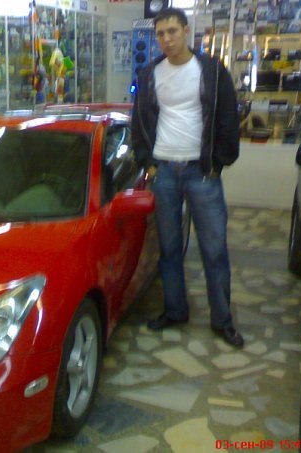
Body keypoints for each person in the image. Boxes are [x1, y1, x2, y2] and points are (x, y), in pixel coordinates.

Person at [131, 7, 244, 348]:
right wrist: (149, 164)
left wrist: (218, 163)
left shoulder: (210, 70)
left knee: (214, 250)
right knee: (169, 249)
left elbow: (228, 117)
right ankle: (175, 310)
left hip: (201, 172)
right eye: (160, 34)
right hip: (164, 171)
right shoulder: (150, 73)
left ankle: (222, 320)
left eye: (172, 31)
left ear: (185, 31)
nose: (166, 39)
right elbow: (139, 121)